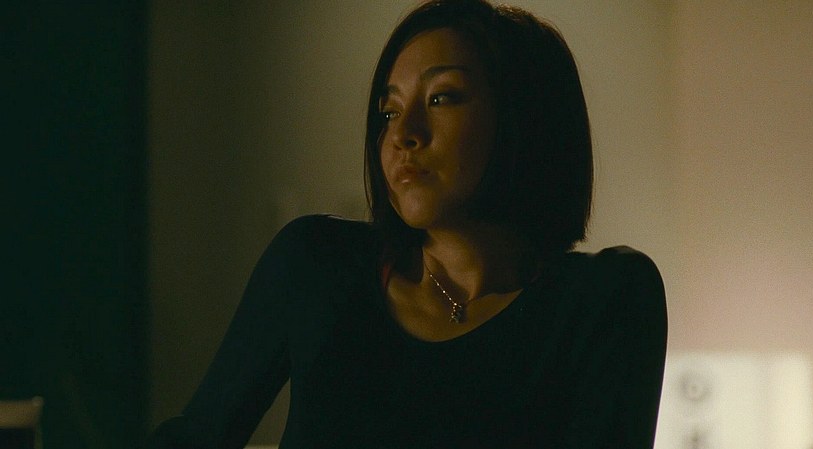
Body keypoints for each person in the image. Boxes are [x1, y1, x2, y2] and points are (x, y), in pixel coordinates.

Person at [147, 0, 667, 447]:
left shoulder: (605, 301)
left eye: (441, 98)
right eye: (389, 112)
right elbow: (195, 438)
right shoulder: (315, 265)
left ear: (523, 117)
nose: (403, 135)